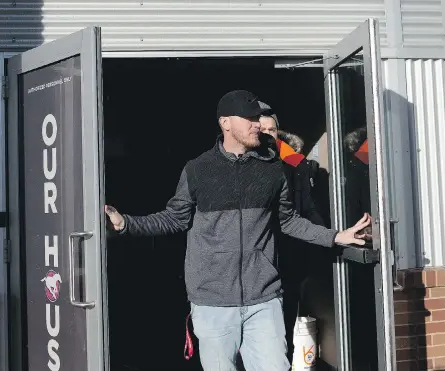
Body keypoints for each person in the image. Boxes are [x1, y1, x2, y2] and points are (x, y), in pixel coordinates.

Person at [105, 90, 371, 371]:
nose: (257, 124)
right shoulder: (198, 170)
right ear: (226, 123)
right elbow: (174, 218)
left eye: (258, 118)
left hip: (264, 300)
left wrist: (335, 236)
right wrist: (127, 224)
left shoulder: (272, 171)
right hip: (213, 304)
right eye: (250, 118)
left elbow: (289, 220)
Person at [258, 103, 326, 363]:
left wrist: (330, 238)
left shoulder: (295, 163)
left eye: (271, 129)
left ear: (278, 131)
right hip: (255, 258)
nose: (266, 133)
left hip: (289, 254)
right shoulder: (239, 163)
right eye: (261, 128)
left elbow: (308, 209)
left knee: (285, 322)